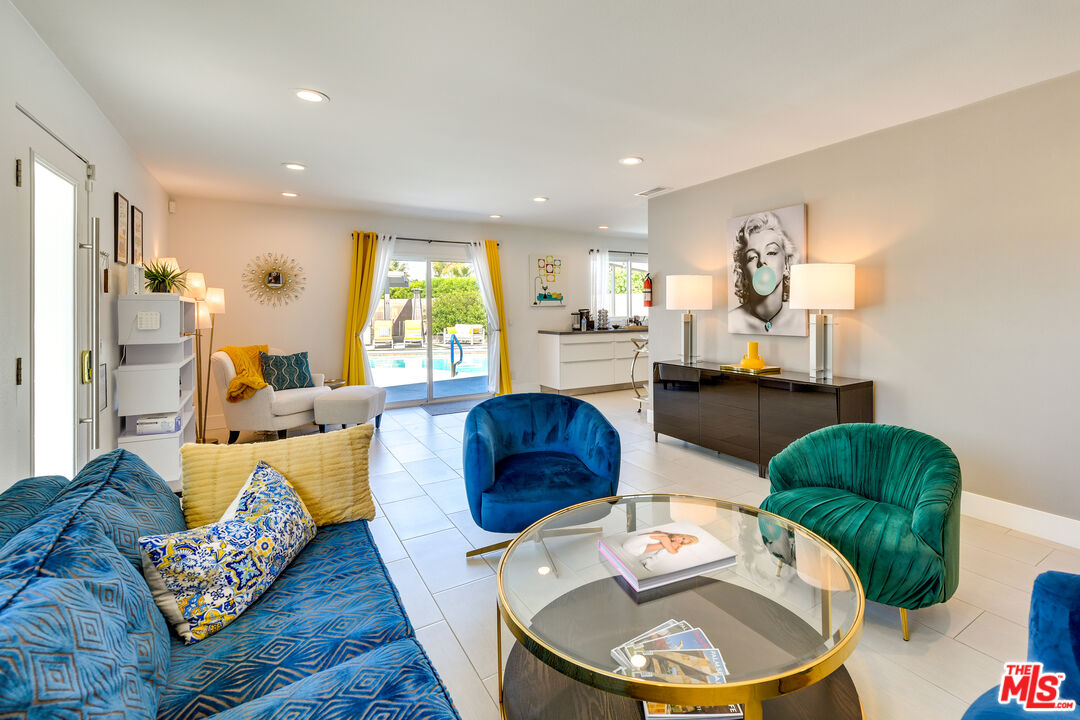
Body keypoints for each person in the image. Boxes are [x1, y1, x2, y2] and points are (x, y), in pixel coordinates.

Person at [728, 212, 804, 334]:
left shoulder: (802, 320)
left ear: (786, 264)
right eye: (752, 257)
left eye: (771, 252)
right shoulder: (732, 322)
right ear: (744, 273)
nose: (762, 261)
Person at [622, 531, 699, 571]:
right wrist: (679, 546)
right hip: (630, 548)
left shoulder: (664, 534)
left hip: (628, 542)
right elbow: (673, 552)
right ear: (682, 534)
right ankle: (648, 562)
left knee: (667, 546)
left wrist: (676, 545)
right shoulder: (665, 538)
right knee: (667, 547)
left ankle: (648, 561)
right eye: (683, 538)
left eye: (681, 542)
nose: (679, 541)